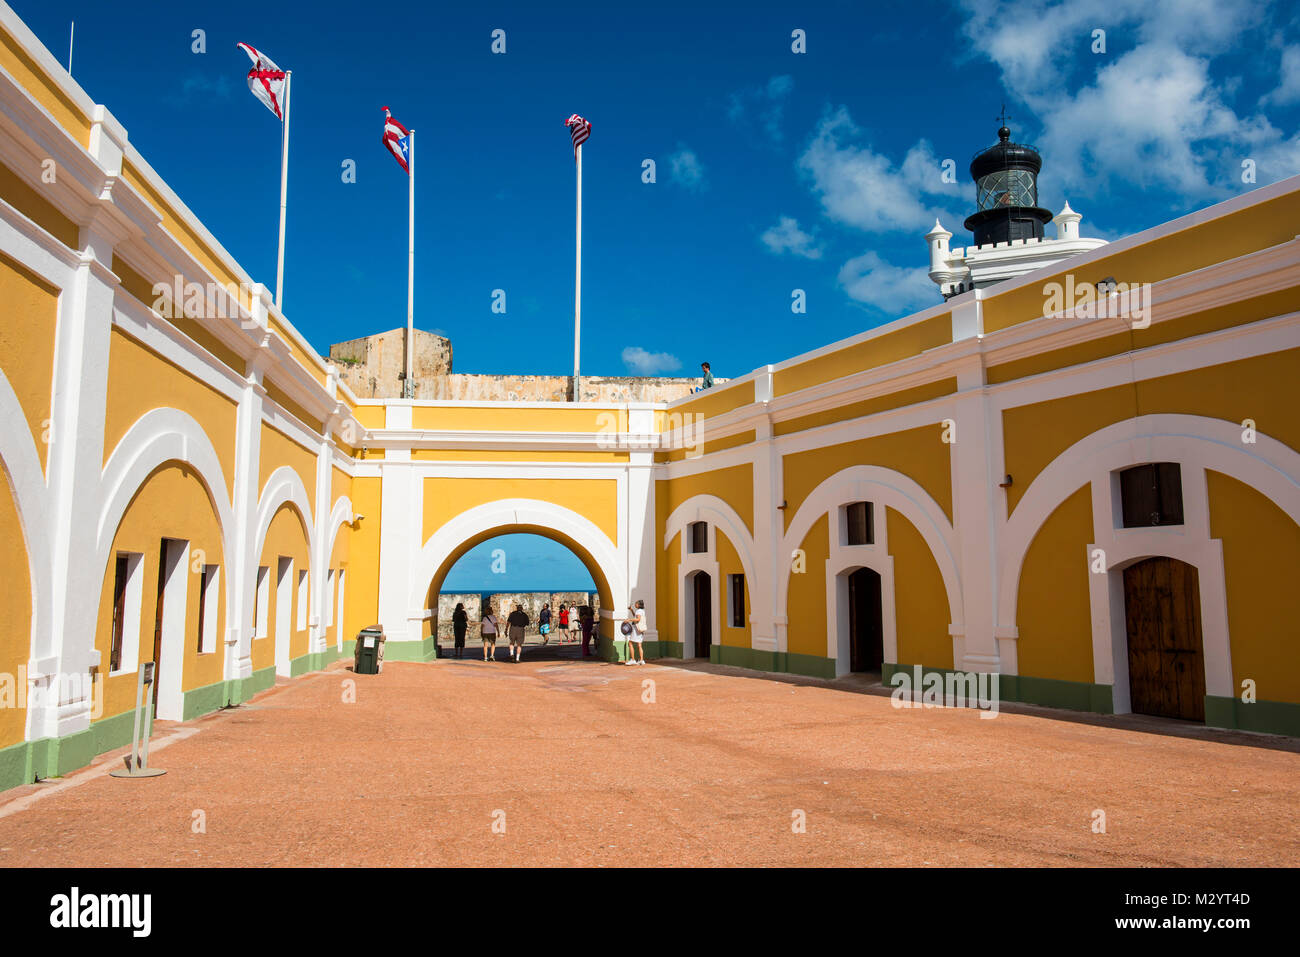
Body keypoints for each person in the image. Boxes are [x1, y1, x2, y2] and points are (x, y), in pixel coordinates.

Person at [624, 599, 647, 665]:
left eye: (636, 603)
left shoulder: (638, 611)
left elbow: (638, 619)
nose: (635, 604)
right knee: (639, 645)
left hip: (636, 629)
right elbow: (636, 616)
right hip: (640, 629)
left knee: (630, 643)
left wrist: (629, 620)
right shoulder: (641, 611)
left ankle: (633, 659)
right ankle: (641, 660)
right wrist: (631, 610)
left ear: (639, 605)